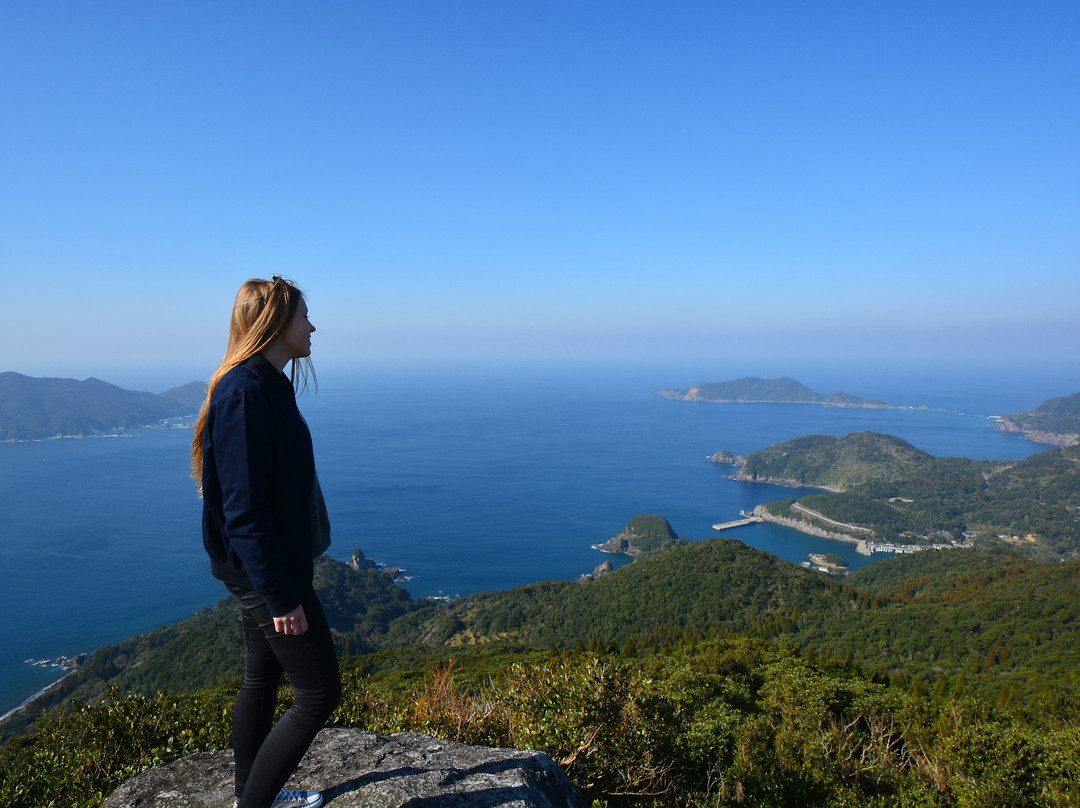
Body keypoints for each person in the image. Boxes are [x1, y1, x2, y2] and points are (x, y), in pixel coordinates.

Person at [192, 276, 340, 808]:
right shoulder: (247, 392)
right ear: (277, 323)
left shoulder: (266, 383)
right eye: (305, 316)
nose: (313, 325)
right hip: (265, 571)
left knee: (263, 674)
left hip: (261, 565)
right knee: (319, 693)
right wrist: (281, 596)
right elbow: (246, 512)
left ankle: (247, 795)